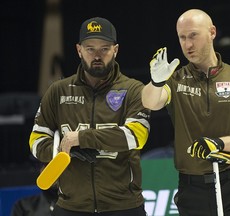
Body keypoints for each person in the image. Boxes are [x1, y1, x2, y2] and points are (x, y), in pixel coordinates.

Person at [141, 9, 230, 216]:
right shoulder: (175, 80)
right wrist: (156, 81)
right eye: (182, 38)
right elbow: (150, 102)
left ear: (212, 32)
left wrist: (219, 143)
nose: (188, 44)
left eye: (193, 35)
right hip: (191, 189)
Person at [29, 17, 150, 216]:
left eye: (104, 48)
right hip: (70, 207)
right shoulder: (58, 91)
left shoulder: (134, 90)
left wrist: (82, 138)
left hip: (124, 206)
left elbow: (136, 136)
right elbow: (36, 141)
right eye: (90, 48)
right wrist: (64, 151)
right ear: (79, 50)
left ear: (115, 50)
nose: (97, 55)